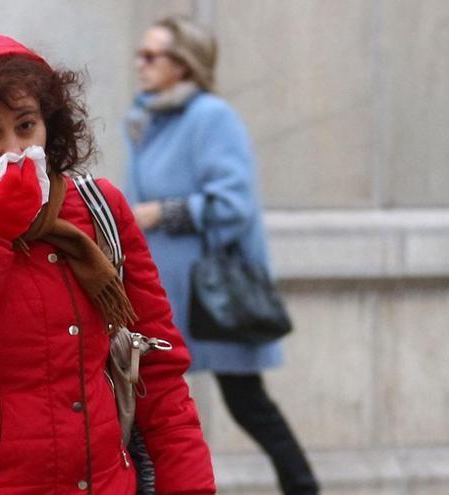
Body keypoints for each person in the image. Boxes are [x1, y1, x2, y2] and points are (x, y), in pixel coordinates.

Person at [0, 32, 215, 495]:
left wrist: (188, 484)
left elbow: (158, 366)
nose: (15, 150)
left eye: (26, 125)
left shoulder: (99, 208)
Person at [124, 16, 320, 495]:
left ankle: (303, 486)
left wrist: (162, 213)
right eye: (140, 54)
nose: (140, 65)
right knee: (142, 401)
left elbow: (234, 204)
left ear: (183, 63)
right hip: (161, 292)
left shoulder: (212, 117)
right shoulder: (149, 119)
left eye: (152, 56)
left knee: (247, 401)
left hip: (208, 294)